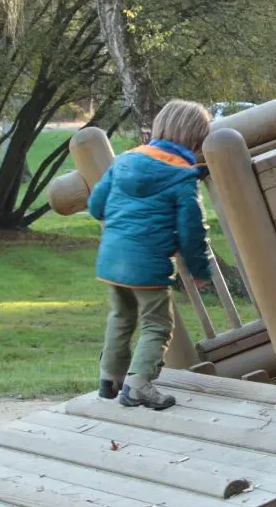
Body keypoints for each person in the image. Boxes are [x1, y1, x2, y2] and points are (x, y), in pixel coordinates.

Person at [87, 100, 213, 410]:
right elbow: (191, 231)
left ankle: (110, 378)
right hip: (147, 264)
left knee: (121, 317)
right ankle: (139, 384)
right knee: (158, 323)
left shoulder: (125, 160)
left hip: (111, 259)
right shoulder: (182, 176)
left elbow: (95, 206)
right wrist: (199, 270)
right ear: (197, 140)